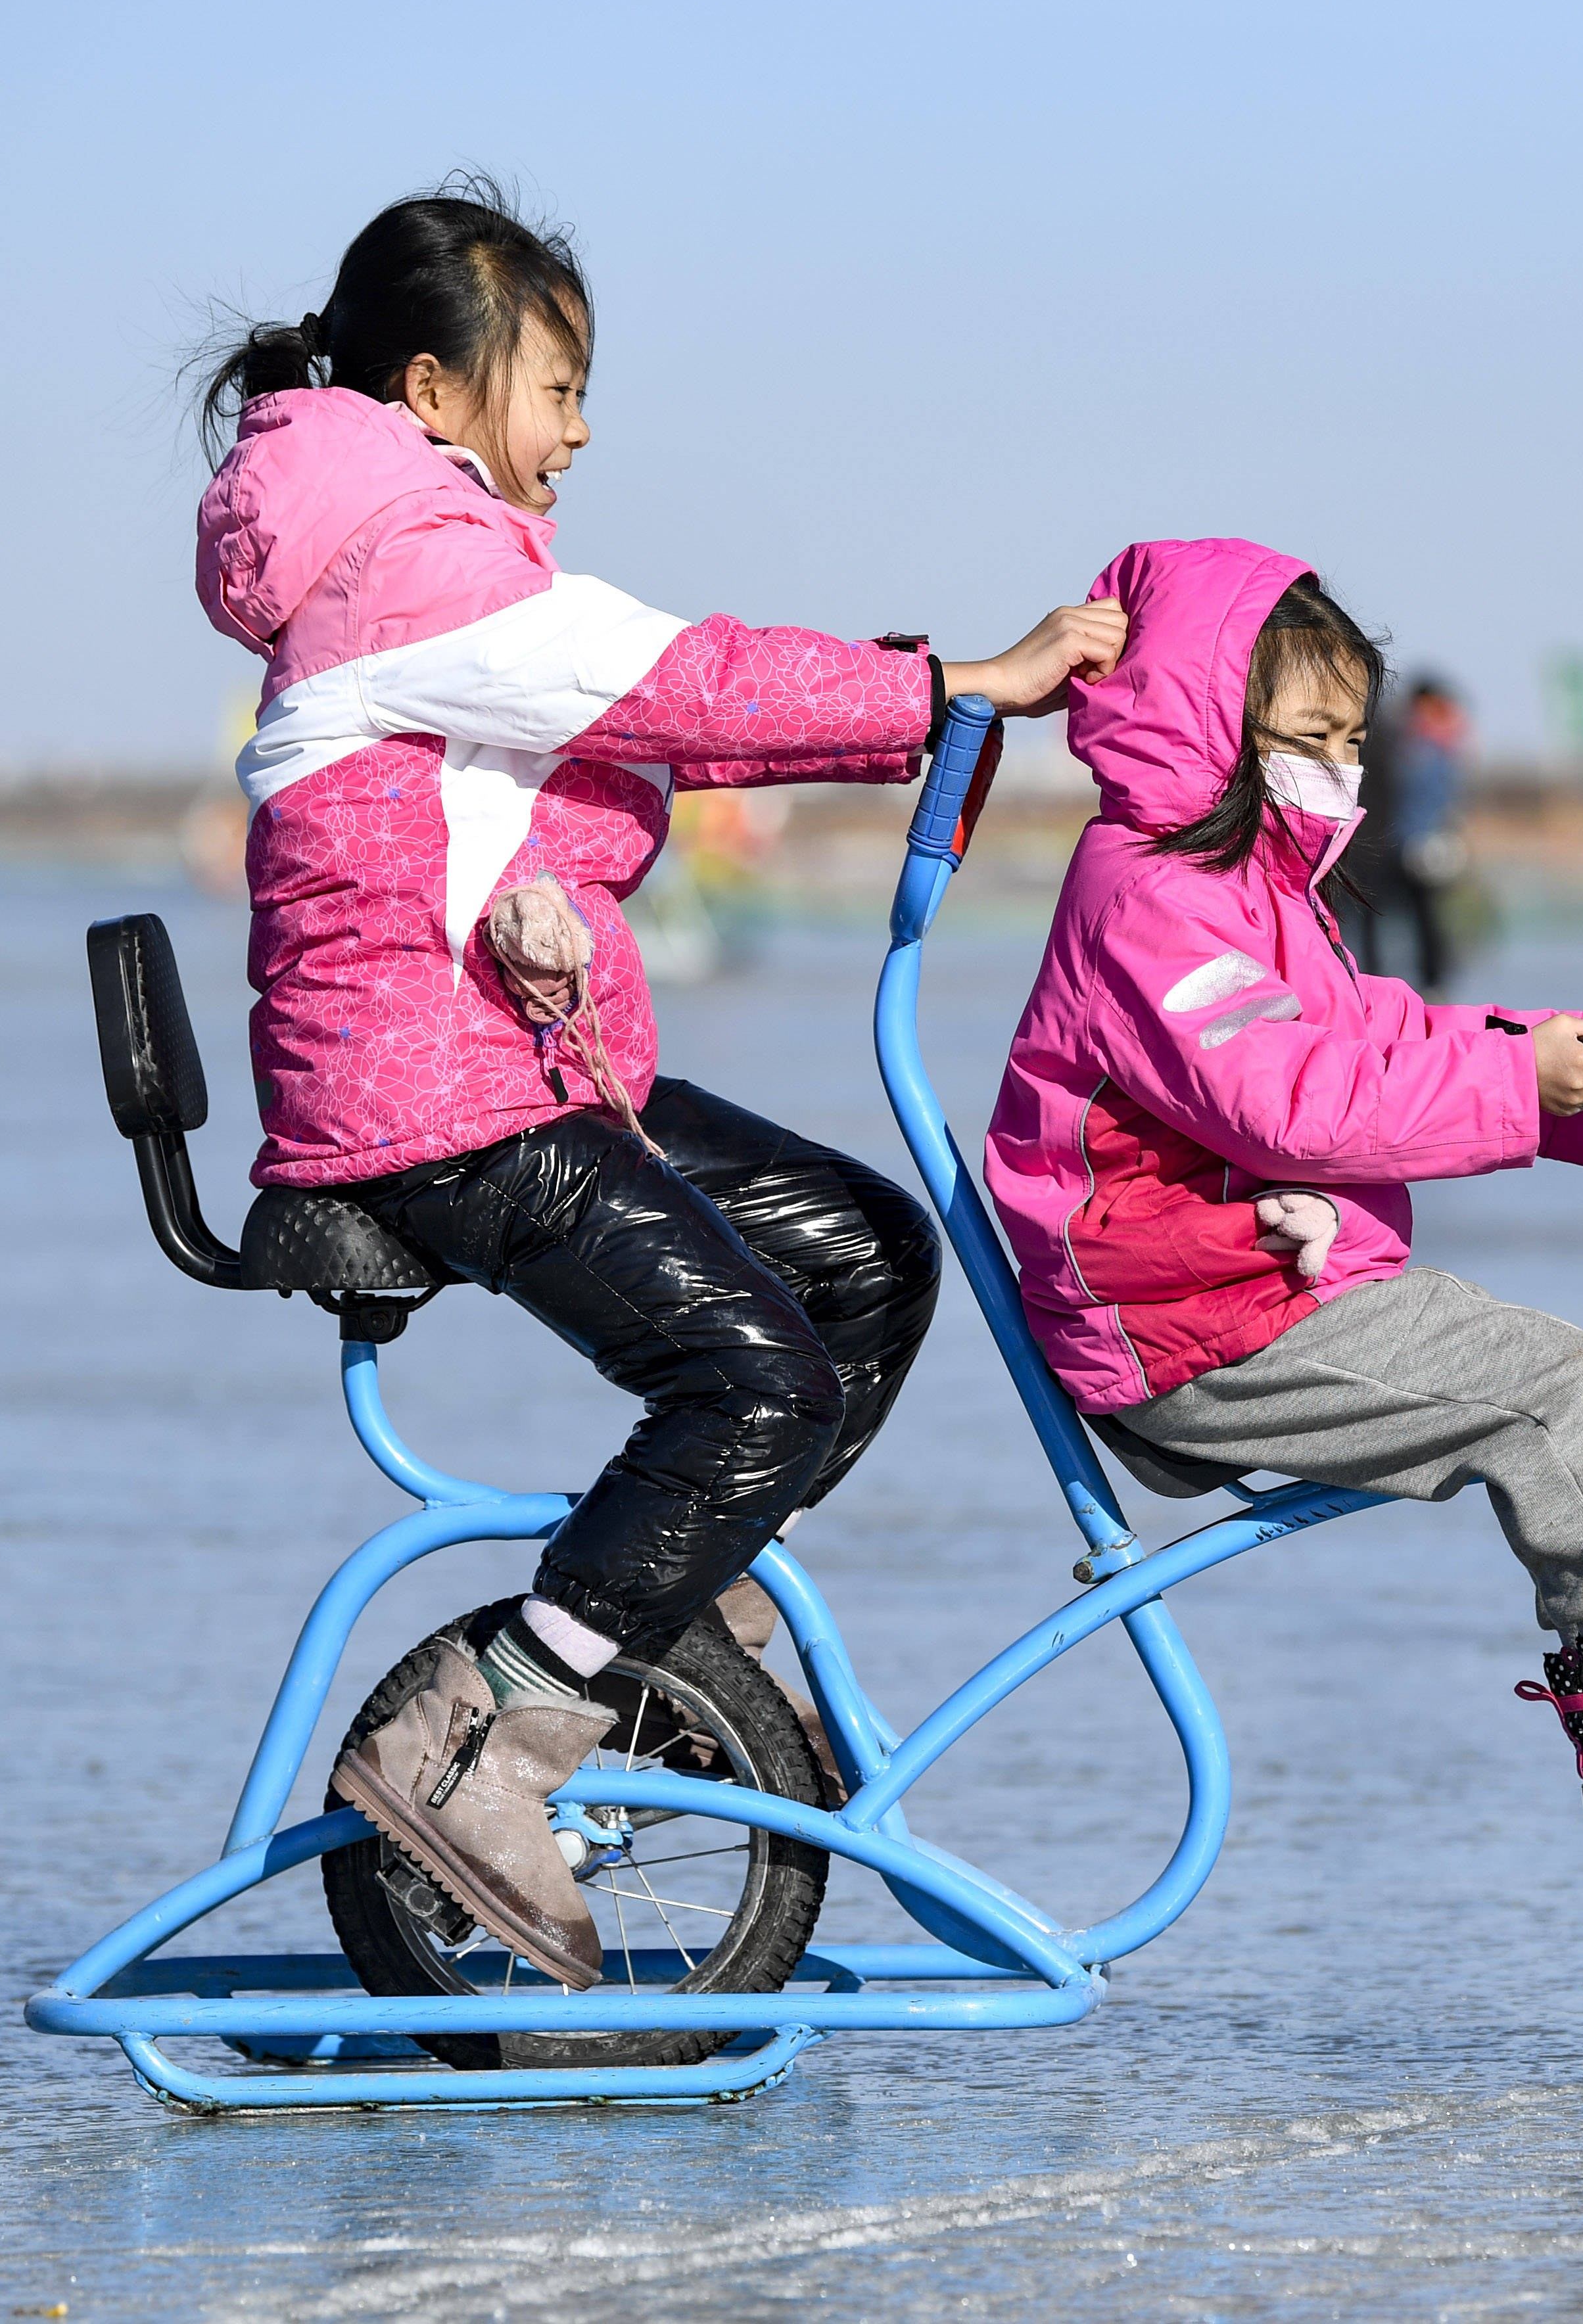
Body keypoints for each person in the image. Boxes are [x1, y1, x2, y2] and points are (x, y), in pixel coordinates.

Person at [192, 183, 1123, 1987]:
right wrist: (962, 684)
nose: (581, 425)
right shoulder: (416, 565)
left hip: (512, 1064)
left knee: (864, 1253)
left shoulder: (411, 550)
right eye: (556, 384)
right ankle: (489, 1741)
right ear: (437, 391)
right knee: (755, 1380)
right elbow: (682, 683)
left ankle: (650, 1624)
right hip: (436, 1101)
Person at [983, 539, 1583, 1878]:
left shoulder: (1252, 893)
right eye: (1306, 733)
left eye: (1352, 736)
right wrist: (1525, 1084)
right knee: (1560, 1389)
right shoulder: (1154, 895)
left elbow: (1381, 1029)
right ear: (1206, 721)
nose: (1336, 767)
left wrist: (1572, 1048)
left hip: (1255, 1281)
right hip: (1189, 1319)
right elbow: (1296, 1098)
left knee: (1577, 1397)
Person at [1336, 672, 1472, 990]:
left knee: (1414, 914)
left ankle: (1423, 975)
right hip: (1397, 842)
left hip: (1410, 843)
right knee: (1413, 914)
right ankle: (1420, 976)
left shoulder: (1420, 743)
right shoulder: (1413, 740)